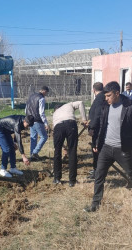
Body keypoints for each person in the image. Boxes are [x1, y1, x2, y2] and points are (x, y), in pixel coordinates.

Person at [84, 81, 132, 212]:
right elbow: (101, 126)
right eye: (105, 96)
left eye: (109, 95)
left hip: (123, 148)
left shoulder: (128, 105)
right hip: (106, 147)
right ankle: (95, 204)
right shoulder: (106, 106)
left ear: (117, 93)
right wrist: (96, 143)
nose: (106, 98)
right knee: (99, 175)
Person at [53, 101, 88, 186]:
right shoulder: (69, 104)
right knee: (72, 152)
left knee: (57, 152)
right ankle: (72, 181)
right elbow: (80, 103)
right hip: (70, 124)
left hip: (58, 126)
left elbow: (56, 130)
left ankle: (57, 178)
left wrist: (63, 147)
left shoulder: (55, 114)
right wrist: (84, 119)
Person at [25, 86, 49, 160]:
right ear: (44, 91)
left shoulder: (31, 97)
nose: (46, 95)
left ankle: (32, 156)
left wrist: (28, 119)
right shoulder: (41, 98)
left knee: (33, 138)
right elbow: (41, 112)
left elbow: (26, 110)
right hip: (38, 120)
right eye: (47, 93)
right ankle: (35, 152)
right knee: (44, 137)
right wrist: (46, 123)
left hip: (30, 120)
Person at [88, 82, 106, 179]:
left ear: (93, 90)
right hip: (99, 127)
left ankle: (97, 171)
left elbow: (98, 114)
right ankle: (96, 169)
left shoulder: (99, 98)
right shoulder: (102, 97)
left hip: (97, 129)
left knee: (96, 149)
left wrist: (92, 127)